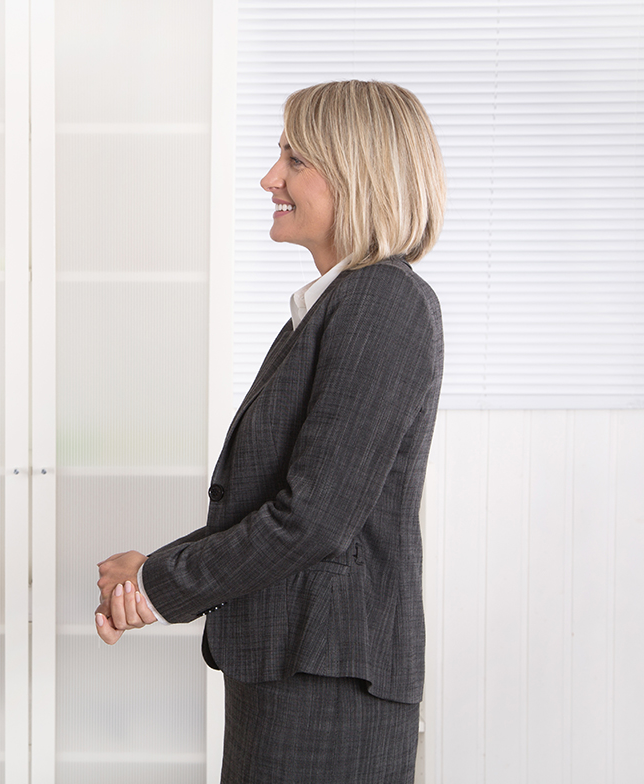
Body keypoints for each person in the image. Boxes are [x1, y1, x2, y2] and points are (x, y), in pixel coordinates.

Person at [95, 80, 446, 784]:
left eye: (295, 158)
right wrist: (153, 572)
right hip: (297, 668)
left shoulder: (382, 303)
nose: (269, 177)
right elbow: (277, 502)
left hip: (326, 680)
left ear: (356, 172)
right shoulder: (340, 304)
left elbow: (313, 520)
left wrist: (157, 585)